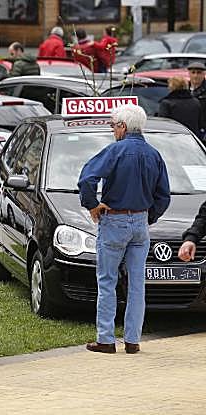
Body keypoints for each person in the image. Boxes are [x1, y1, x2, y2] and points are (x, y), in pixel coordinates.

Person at [77, 104, 170, 354]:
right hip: (140, 223)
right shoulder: (154, 154)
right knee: (137, 284)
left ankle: (106, 339)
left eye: (113, 125)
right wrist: (149, 217)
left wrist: (92, 205)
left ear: (123, 126)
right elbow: (163, 195)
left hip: (114, 221)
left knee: (107, 280)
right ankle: (132, 340)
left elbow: (87, 178)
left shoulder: (116, 151)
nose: (112, 130)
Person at [188, 61, 206, 140]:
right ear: (189, 74)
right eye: (193, 72)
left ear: (204, 74)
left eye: (199, 73)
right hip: (186, 129)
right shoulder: (184, 89)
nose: (196, 76)